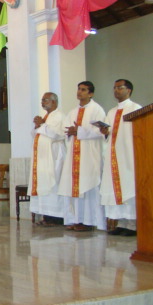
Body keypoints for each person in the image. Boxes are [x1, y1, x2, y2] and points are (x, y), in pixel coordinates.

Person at [57, 81, 106, 231]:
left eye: (84, 90)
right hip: (74, 155)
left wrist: (79, 131)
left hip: (90, 155)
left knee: (89, 187)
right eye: (79, 89)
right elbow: (64, 129)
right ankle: (77, 219)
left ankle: (90, 221)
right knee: (75, 187)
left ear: (91, 93)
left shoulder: (97, 110)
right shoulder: (72, 112)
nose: (79, 92)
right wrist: (70, 132)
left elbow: (100, 131)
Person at [97, 79, 142, 237]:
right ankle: (121, 223)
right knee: (115, 188)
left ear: (128, 90)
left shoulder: (135, 108)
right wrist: (105, 132)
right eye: (114, 88)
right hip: (114, 155)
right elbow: (109, 133)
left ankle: (132, 225)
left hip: (127, 155)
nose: (116, 90)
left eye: (120, 88)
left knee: (128, 187)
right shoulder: (111, 112)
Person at [29, 92, 66, 226]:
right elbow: (35, 134)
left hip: (54, 156)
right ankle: (46, 216)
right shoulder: (46, 116)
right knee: (43, 184)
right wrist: (37, 126)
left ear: (54, 102)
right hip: (42, 158)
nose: (42, 102)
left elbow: (58, 134)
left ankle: (56, 218)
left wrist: (43, 124)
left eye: (45, 100)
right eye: (42, 100)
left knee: (53, 185)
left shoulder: (60, 116)